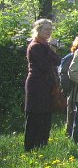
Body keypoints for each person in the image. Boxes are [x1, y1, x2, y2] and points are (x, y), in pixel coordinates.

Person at [24, 19, 61, 151]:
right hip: (36, 85)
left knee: (46, 116)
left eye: (51, 29)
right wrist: (52, 49)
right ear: (38, 30)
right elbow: (45, 65)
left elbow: (57, 60)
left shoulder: (46, 46)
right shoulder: (35, 46)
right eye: (46, 29)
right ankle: (30, 148)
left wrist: (51, 50)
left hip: (47, 85)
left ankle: (42, 147)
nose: (49, 31)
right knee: (35, 116)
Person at [61, 36, 78, 136]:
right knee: (71, 114)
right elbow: (64, 74)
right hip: (73, 89)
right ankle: (69, 135)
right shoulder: (70, 57)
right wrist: (67, 90)